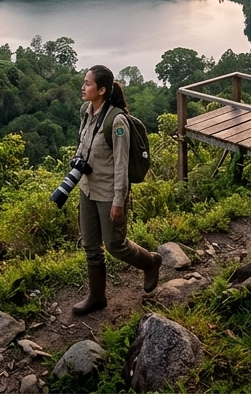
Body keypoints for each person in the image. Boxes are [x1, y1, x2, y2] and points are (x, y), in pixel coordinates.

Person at [70, 65, 162, 315]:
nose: (83, 87)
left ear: (102, 90)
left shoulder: (117, 121)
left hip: (110, 193)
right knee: (90, 246)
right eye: (84, 82)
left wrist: (119, 201)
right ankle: (97, 297)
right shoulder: (86, 111)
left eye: (88, 84)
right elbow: (83, 144)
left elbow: (121, 165)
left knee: (115, 245)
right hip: (87, 189)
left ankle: (151, 261)